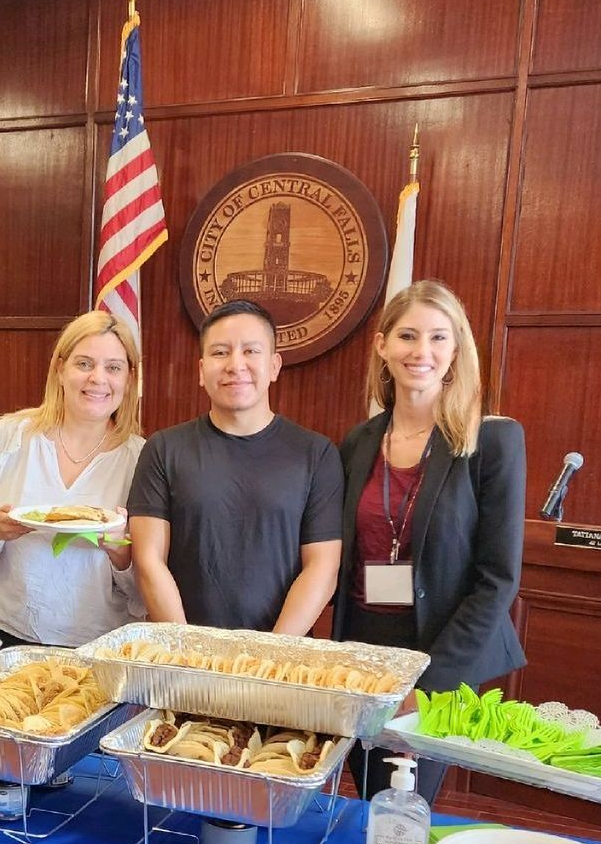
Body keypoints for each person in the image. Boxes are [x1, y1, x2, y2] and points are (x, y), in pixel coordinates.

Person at [332, 280, 526, 803]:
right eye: (408, 336)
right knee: (370, 792)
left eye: (439, 338)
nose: (422, 352)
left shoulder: (492, 440)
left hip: (442, 651)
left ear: (456, 351)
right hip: (361, 649)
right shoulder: (359, 442)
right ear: (382, 346)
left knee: (406, 804)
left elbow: (497, 579)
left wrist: (429, 685)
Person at [128, 299, 343, 635]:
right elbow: (148, 561)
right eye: (220, 352)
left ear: (274, 366)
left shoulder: (316, 454)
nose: (235, 364)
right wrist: (186, 651)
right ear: (201, 371)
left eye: (251, 351)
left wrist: (269, 656)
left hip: (281, 660)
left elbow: (322, 568)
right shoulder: (164, 449)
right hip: (184, 657)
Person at [0, 310, 145, 647]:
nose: (98, 379)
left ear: (129, 379)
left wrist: (120, 551)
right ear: (60, 369)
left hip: (93, 644)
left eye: (113, 367)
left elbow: (148, 585)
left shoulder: (142, 460)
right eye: (85, 364)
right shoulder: (11, 435)